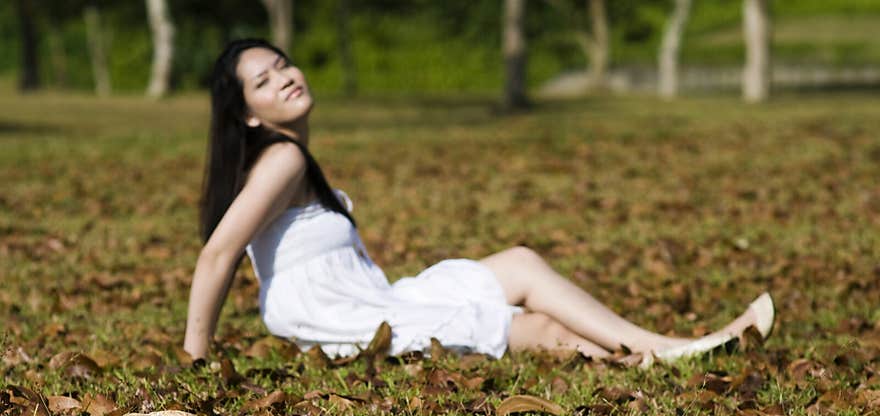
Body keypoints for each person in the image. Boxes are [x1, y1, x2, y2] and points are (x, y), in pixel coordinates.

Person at [183, 38, 775, 369]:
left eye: (282, 63)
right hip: (348, 323)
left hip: (373, 302)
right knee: (536, 327)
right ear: (250, 114)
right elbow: (217, 257)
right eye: (263, 80)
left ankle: (662, 348)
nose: (284, 76)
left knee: (518, 260)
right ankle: (651, 362)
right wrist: (195, 362)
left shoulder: (290, 157)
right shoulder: (281, 159)